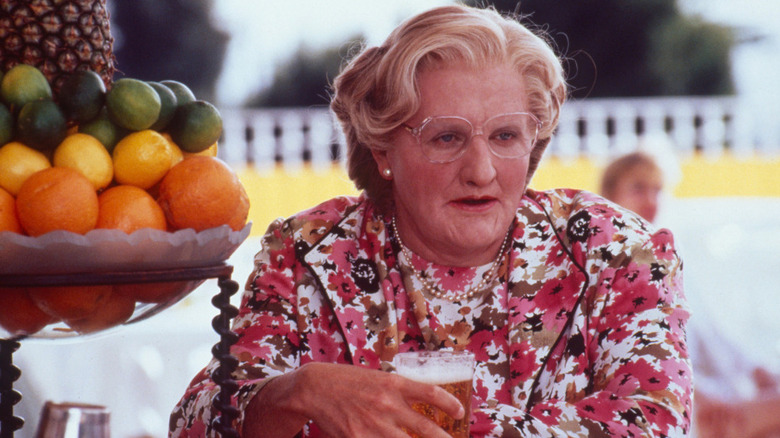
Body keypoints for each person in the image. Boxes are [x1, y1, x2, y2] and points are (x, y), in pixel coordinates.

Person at [170, 5, 691, 437]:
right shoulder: (310, 252)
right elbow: (196, 421)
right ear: (382, 150)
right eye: (447, 137)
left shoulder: (614, 250)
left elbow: (653, 421)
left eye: (506, 136)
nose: (481, 170)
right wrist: (296, 391)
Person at [599, 151, 780, 438]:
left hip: (709, 398)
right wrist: (696, 397)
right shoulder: (608, 267)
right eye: (638, 188)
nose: (651, 201)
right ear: (608, 196)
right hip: (666, 409)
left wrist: (759, 371)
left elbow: (711, 336)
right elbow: (631, 360)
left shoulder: (667, 258)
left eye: (657, 190)